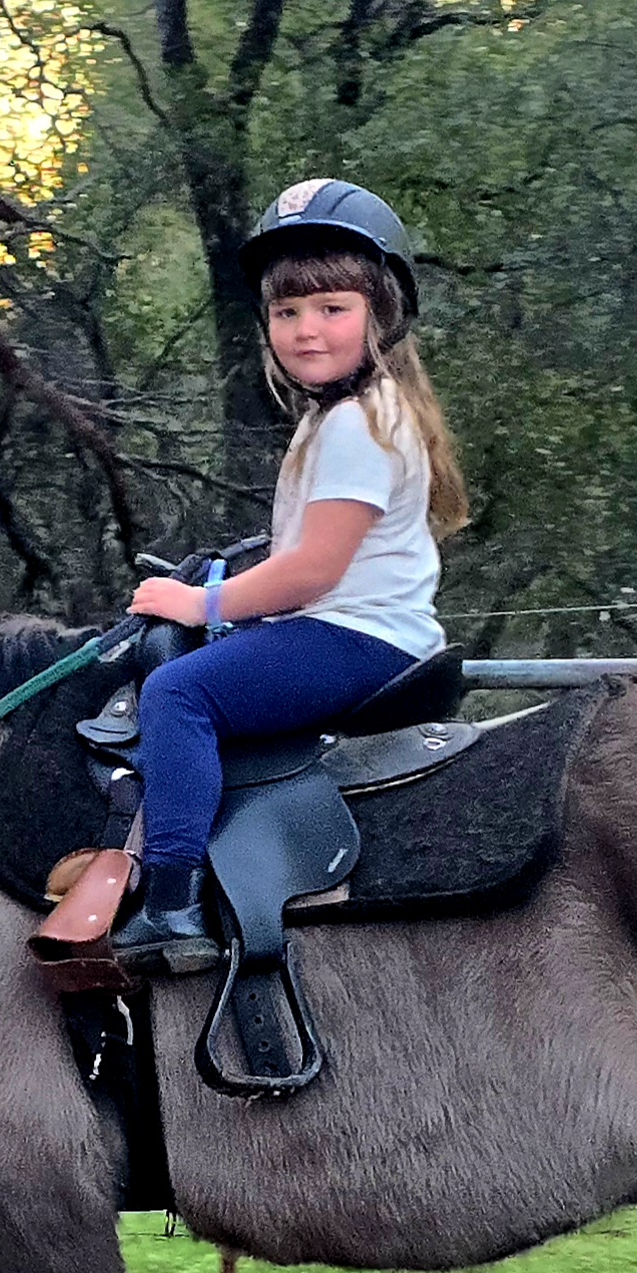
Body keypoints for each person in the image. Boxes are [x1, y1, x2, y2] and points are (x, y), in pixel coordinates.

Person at [113, 178, 472, 973]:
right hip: (356, 630)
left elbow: (311, 572)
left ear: (380, 315)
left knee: (180, 692)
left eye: (332, 309)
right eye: (287, 313)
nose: (307, 331)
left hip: (359, 639)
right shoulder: (345, 417)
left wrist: (200, 600)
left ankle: (172, 901)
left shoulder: (356, 424)